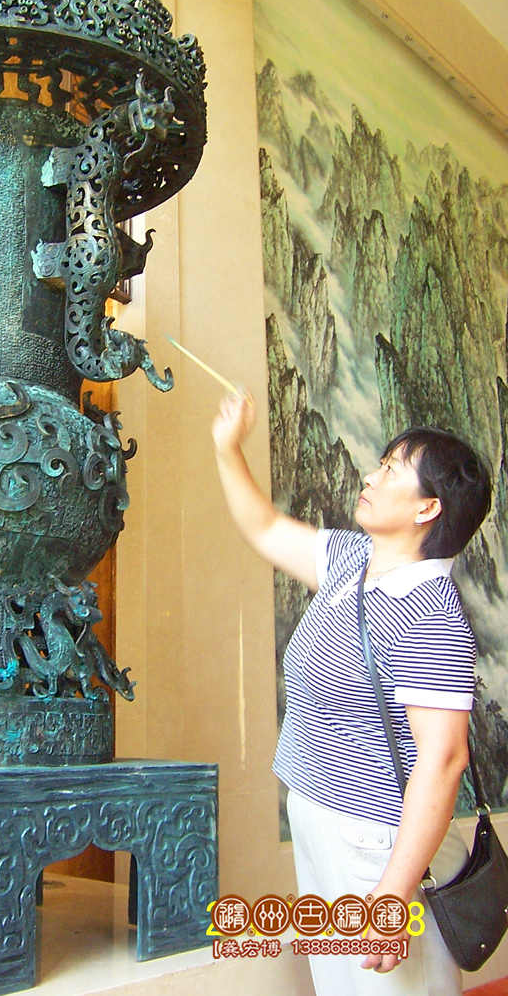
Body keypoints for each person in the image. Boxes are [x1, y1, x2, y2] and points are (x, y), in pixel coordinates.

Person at [212, 392, 492, 996]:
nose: (370, 476)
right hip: (318, 816)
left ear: (428, 508)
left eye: (391, 470)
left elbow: (444, 761)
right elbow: (264, 527)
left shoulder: (431, 616)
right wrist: (227, 447)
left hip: (375, 843)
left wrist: (393, 893)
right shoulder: (353, 559)